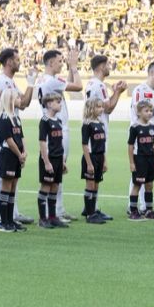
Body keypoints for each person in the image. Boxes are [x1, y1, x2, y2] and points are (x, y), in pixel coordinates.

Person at [0, 48, 37, 226]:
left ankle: (12, 214)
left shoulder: (10, 82)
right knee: (3, 174)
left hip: (13, 127)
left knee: (13, 175)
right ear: (9, 62)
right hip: (3, 132)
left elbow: (23, 103)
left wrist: (31, 83)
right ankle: (2, 216)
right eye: (17, 59)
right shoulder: (2, 82)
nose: (19, 62)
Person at [39, 46, 84, 222]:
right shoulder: (51, 81)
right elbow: (78, 86)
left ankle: (58, 208)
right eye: (59, 61)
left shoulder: (49, 80)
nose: (62, 63)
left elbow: (69, 85)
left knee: (59, 169)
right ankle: (54, 211)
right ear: (50, 62)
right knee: (57, 169)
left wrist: (71, 70)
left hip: (57, 126)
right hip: (57, 129)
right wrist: (74, 67)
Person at [128, 61, 154, 212]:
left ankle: (145, 206)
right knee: (138, 171)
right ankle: (133, 206)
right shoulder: (140, 89)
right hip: (138, 133)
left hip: (151, 132)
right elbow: (140, 111)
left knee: (147, 171)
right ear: (152, 73)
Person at [0, 88, 27, 231]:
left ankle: (10, 220)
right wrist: (19, 154)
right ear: (10, 99)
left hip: (17, 156)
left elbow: (21, 137)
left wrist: (24, 152)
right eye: (18, 98)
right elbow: (9, 140)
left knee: (13, 187)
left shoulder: (16, 117)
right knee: (6, 186)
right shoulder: (4, 118)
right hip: (8, 155)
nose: (20, 100)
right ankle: (4, 222)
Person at [37, 92, 68, 229]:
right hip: (48, 160)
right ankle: (42, 218)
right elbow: (43, 143)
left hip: (57, 159)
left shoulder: (58, 121)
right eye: (57, 101)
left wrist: (62, 161)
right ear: (49, 104)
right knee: (46, 187)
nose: (60, 104)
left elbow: (59, 143)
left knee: (55, 187)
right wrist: (47, 162)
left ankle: (52, 217)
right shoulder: (44, 121)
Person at [127, 100, 154, 221]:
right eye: (146, 111)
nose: (149, 113)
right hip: (139, 160)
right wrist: (132, 163)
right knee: (137, 185)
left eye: (151, 111)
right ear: (139, 112)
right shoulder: (135, 127)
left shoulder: (152, 127)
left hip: (150, 160)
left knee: (149, 185)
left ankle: (149, 210)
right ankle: (133, 211)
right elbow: (130, 146)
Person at [85, 55, 129, 146]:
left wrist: (116, 92)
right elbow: (108, 109)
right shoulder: (100, 85)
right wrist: (118, 92)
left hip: (91, 127)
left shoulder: (91, 83)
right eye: (108, 64)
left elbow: (105, 104)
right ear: (102, 66)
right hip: (98, 129)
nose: (109, 67)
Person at [81, 97, 109, 224]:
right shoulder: (87, 124)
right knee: (90, 185)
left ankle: (93, 210)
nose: (101, 109)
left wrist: (104, 161)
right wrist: (89, 163)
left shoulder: (100, 123)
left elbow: (102, 145)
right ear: (91, 108)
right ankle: (89, 214)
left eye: (102, 106)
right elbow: (85, 145)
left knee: (96, 185)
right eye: (98, 107)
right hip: (91, 158)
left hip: (99, 157)